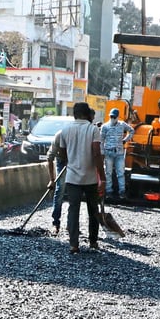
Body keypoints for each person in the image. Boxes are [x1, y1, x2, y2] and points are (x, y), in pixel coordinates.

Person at [54, 102, 105, 253]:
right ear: (88, 114)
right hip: (90, 178)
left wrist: (72, 159)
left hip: (72, 177)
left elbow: (62, 154)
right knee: (93, 209)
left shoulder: (65, 130)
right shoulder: (93, 129)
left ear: (74, 114)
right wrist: (102, 178)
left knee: (73, 209)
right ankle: (93, 242)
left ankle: (74, 244)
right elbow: (96, 154)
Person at [100, 108, 133, 201]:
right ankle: (109, 192)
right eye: (111, 116)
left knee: (121, 173)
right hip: (108, 152)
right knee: (108, 172)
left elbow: (131, 130)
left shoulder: (122, 125)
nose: (112, 118)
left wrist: (125, 140)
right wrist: (102, 152)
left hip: (119, 153)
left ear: (117, 117)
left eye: (114, 117)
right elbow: (101, 140)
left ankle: (122, 192)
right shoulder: (105, 126)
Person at [47, 129, 67, 236]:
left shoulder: (75, 137)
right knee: (60, 189)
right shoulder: (58, 137)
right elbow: (50, 158)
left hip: (76, 161)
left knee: (75, 190)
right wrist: (52, 180)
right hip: (61, 161)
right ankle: (56, 222)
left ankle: (71, 224)